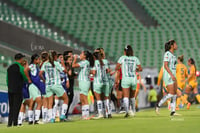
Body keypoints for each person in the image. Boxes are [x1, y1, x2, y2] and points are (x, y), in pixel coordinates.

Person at [39, 50, 69, 123]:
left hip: (48, 85)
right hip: (56, 84)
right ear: (55, 56)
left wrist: (44, 80)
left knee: (50, 103)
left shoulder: (45, 64)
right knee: (66, 99)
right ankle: (62, 115)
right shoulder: (56, 63)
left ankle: (51, 119)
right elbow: (65, 71)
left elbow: (40, 74)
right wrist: (62, 63)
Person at [115, 45, 142, 117]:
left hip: (125, 79)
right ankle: (133, 111)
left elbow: (117, 67)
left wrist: (122, 66)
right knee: (132, 97)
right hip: (133, 79)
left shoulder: (122, 58)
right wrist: (136, 69)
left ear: (125, 51)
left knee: (126, 97)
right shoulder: (135, 58)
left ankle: (127, 111)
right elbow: (140, 69)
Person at [155, 40, 179, 116]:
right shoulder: (167, 54)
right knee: (171, 94)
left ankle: (173, 111)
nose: (176, 45)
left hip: (173, 75)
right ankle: (158, 105)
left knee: (174, 94)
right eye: (175, 44)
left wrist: (174, 75)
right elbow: (165, 65)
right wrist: (171, 75)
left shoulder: (173, 55)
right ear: (172, 46)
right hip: (168, 76)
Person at [7, 53, 27, 127]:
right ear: (21, 59)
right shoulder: (20, 67)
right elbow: (24, 77)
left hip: (10, 89)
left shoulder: (9, 67)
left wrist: (9, 87)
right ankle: (15, 122)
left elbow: (7, 79)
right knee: (17, 106)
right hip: (18, 89)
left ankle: (9, 123)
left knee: (11, 106)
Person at [72, 51, 94, 120]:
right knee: (82, 98)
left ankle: (86, 115)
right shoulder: (86, 63)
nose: (80, 55)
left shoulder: (85, 62)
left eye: (81, 54)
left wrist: (75, 58)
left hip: (84, 82)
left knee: (84, 98)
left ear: (84, 56)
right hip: (83, 82)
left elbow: (73, 65)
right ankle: (84, 115)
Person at [24, 54, 43, 124]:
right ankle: (37, 120)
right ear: (35, 60)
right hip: (34, 86)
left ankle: (30, 120)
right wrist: (28, 78)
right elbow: (26, 70)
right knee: (40, 102)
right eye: (38, 59)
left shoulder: (35, 66)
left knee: (32, 103)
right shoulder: (32, 65)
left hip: (31, 86)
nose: (39, 60)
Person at [18, 60, 33, 126]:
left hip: (20, 90)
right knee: (30, 104)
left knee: (22, 105)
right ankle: (30, 120)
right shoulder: (25, 72)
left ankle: (19, 121)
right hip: (24, 89)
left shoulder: (19, 71)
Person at [63, 51, 76, 118]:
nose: (72, 56)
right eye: (70, 55)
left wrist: (74, 75)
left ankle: (65, 114)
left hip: (71, 83)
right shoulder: (66, 65)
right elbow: (69, 73)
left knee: (70, 98)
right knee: (66, 99)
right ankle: (63, 114)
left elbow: (71, 74)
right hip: (66, 85)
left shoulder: (70, 65)